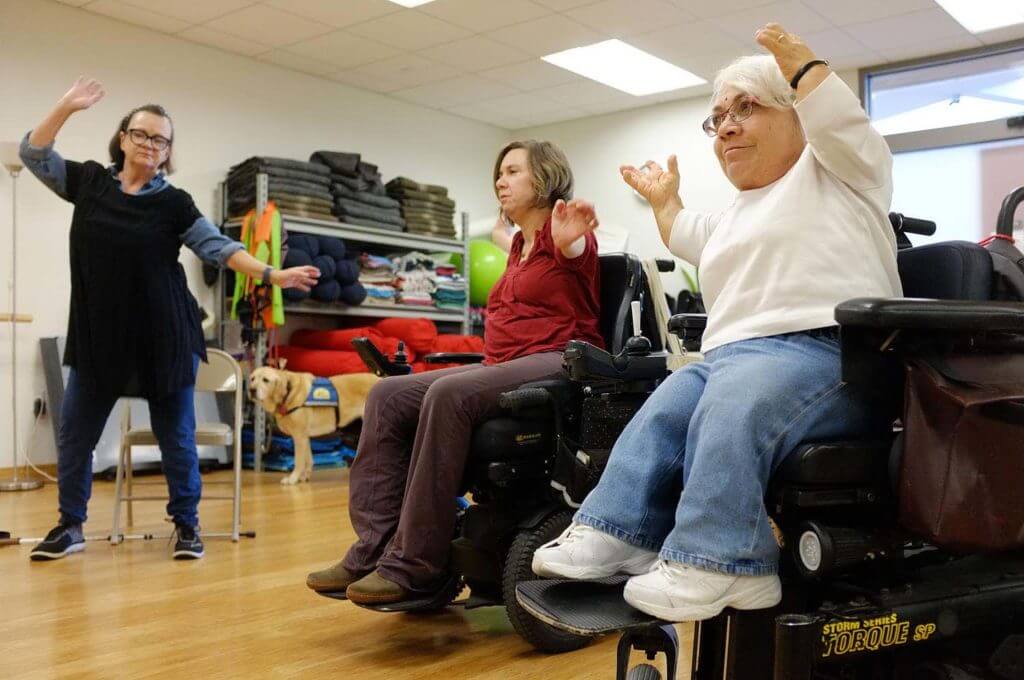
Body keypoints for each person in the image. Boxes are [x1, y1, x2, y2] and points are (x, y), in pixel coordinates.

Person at [532, 23, 902, 622]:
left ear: (797, 116)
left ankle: (727, 563)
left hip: (835, 358)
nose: (726, 125)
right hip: (737, 360)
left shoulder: (839, 172)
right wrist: (663, 202)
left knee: (733, 395)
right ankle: (619, 528)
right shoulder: (737, 212)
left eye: (746, 108)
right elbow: (687, 235)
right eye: (717, 117)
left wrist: (804, 68)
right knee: (670, 398)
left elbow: (848, 132)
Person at [21, 77, 320, 561]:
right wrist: (66, 107)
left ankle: (186, 526)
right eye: (141, 134)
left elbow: (219, 247)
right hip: (99, 338)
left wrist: (272, 273)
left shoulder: (173, 203)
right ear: (123, 138)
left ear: (167, 152)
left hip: (164, 337)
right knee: (75, 435)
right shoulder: (92, 182)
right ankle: (70, 526)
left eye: (160, 139)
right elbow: (34, 154)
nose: (149, 144)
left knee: (176, 439)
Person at [306, 140, 604, 604]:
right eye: (499, 173)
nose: (500, 181)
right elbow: (509, 241)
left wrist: (574, 236)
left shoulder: (563, 238)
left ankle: (415, 564)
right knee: (386, 396)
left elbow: (575, 246)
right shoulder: (519, 245)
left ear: (544, 178)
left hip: (556, 361)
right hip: (504, 365)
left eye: (512, 171)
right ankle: (375, 547)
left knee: (448, 393)